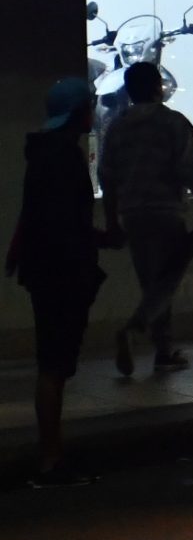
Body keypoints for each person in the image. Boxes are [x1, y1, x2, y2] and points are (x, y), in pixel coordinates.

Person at [6, 77, 112, 485]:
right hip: (61, 272)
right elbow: (67, 223)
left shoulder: (42, 153)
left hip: (44, 270)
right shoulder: (64, 158)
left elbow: (33, 214)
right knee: (54, 365)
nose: (94, 110)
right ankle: (51, 459)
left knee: (52, 363)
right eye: (91, 104)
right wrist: (97, 244)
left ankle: (53, 454)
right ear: (79, 111)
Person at [98, 61, 193, 378]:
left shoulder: (117, 126)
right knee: (166, 282)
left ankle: (163, 351)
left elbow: (107, 178)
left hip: (133, 216)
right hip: (166, 212)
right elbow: (191, 173)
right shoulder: (174, 124)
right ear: (158, 87)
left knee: (151, 283)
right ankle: (137, 331)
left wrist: (112, 222)